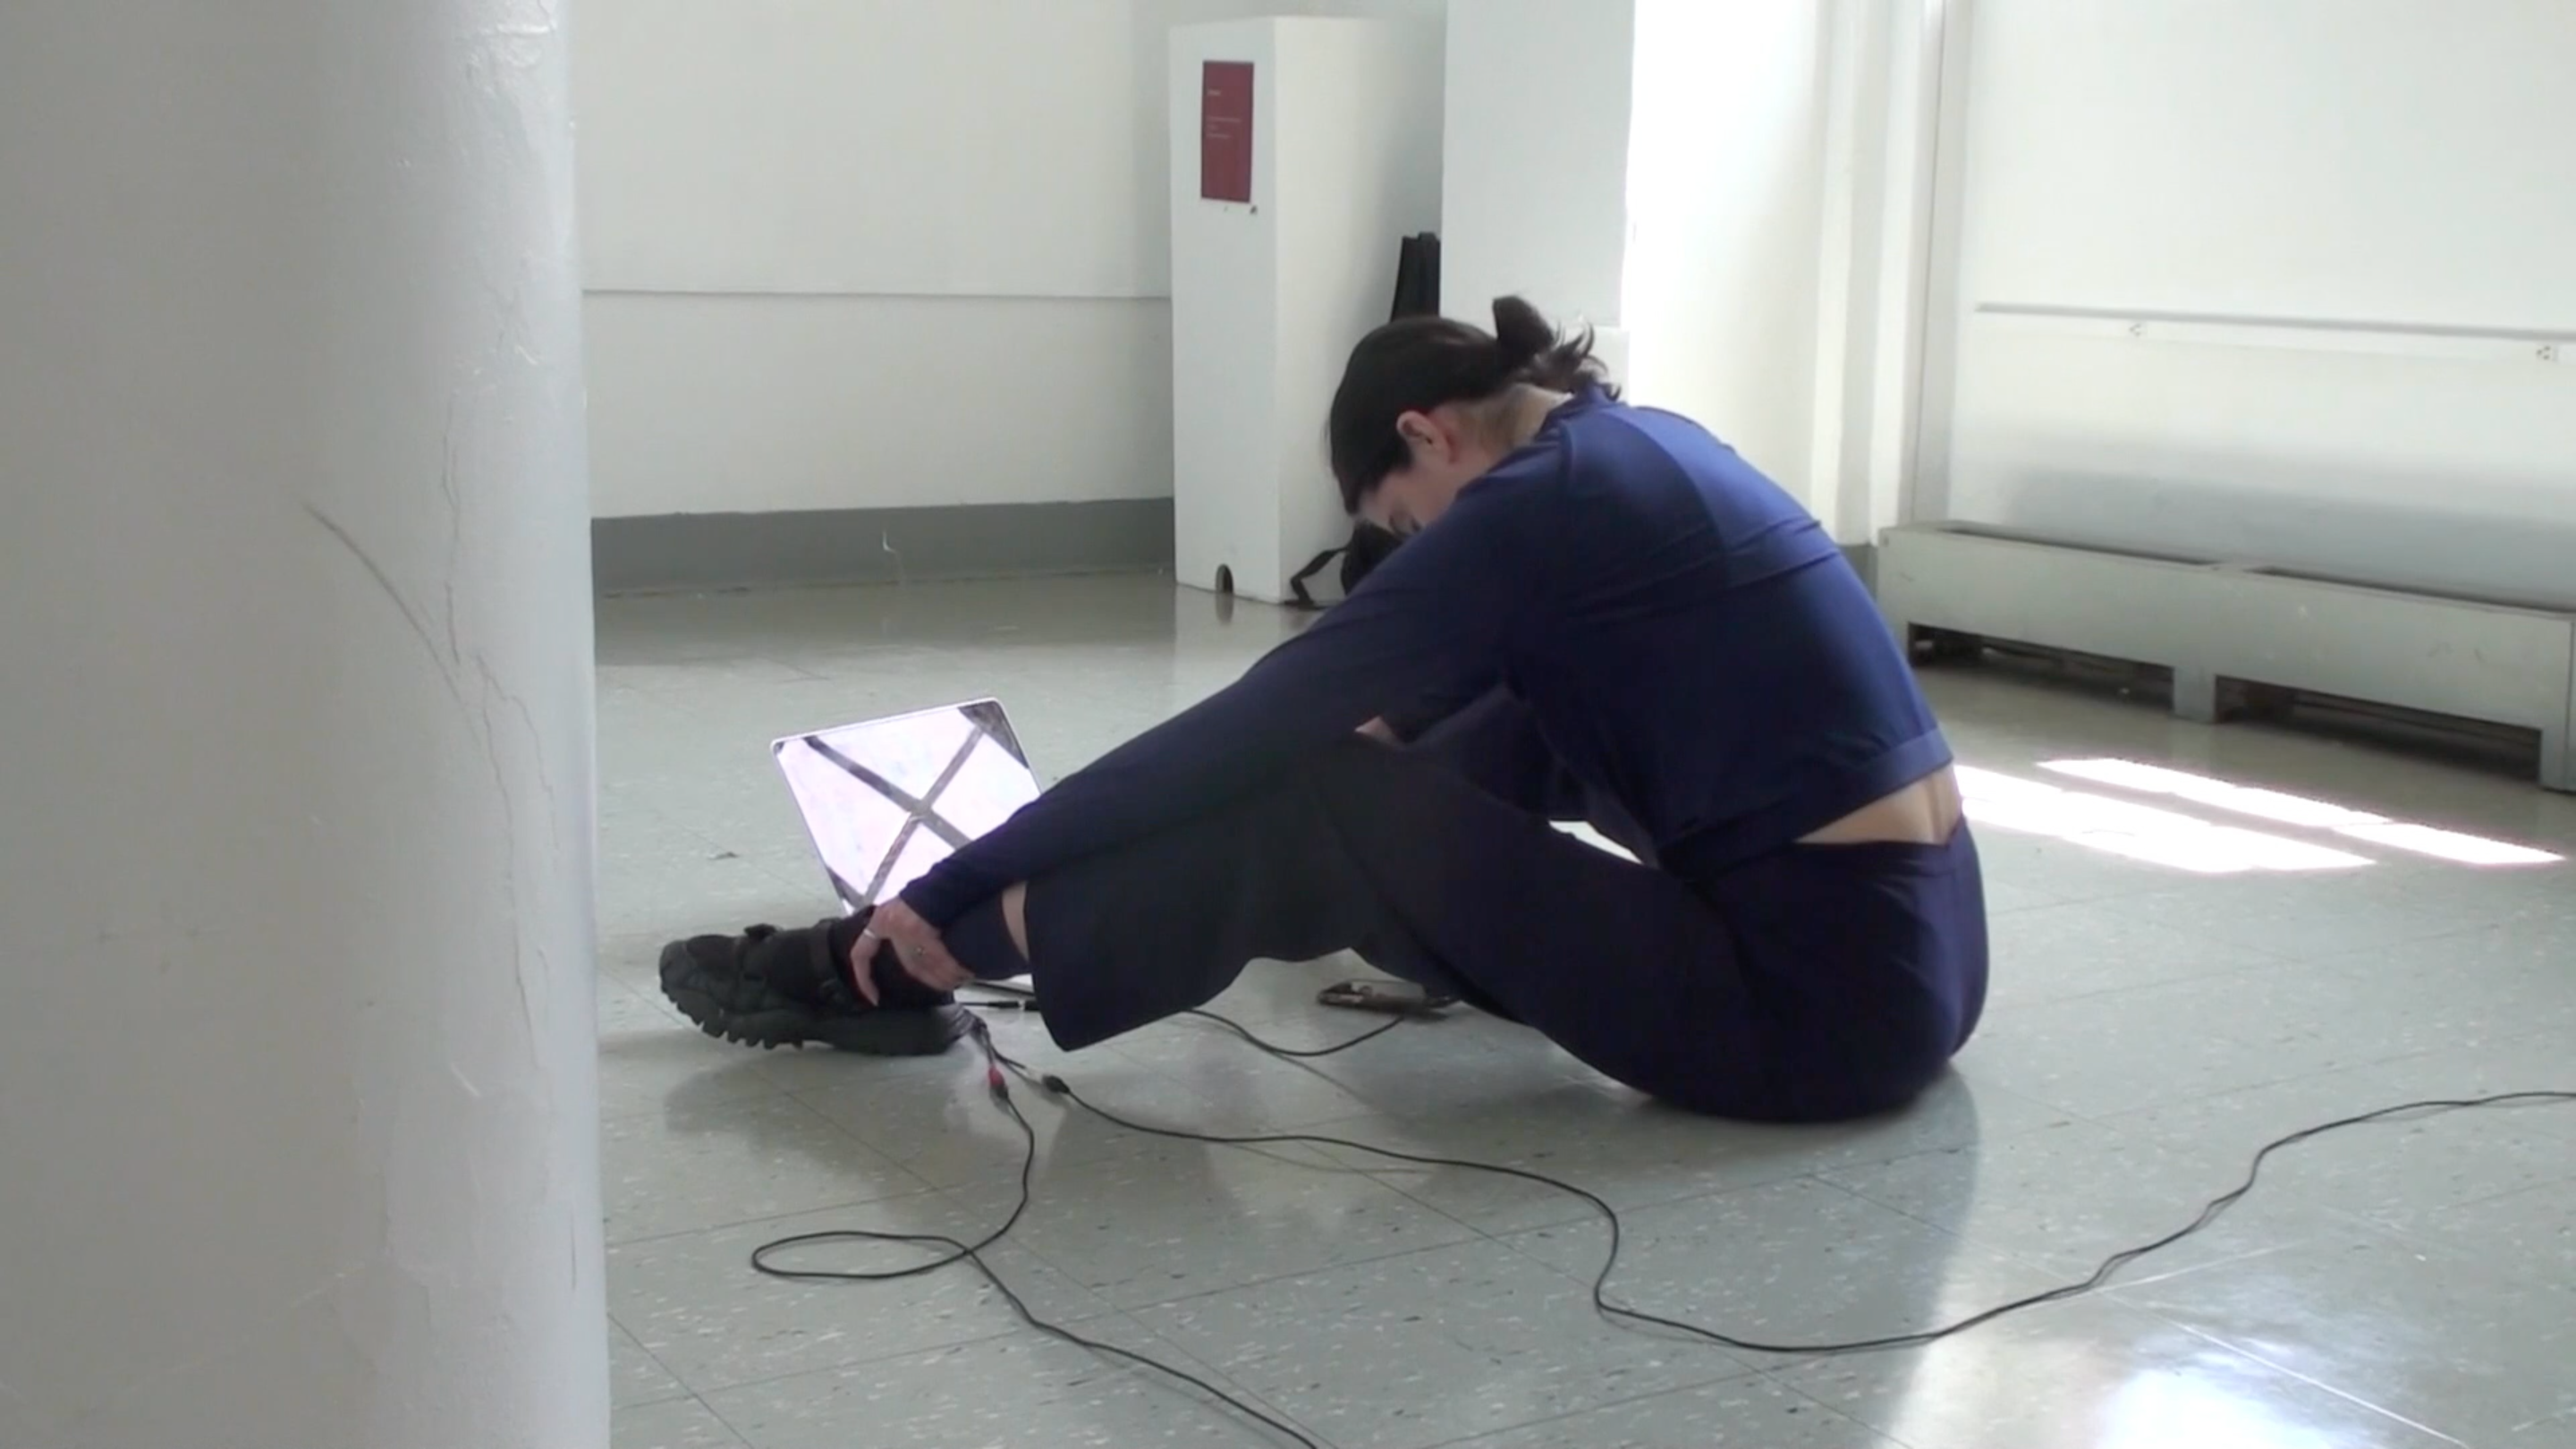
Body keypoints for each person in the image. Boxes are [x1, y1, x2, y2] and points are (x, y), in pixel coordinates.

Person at [660, 297, 1987, 1123]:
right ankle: (969, 936)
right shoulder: (1650, 448)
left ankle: (898, 958)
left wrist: (963, 872)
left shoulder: (1539, 509)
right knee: (1445, 734)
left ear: (1429, 435)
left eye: (1404, 527)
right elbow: (1478, 706)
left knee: (1311, 802)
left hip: (1809, 1020)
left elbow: (1246, 731)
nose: (1415, 551)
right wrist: (1388, 743)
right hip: (1922, 963)